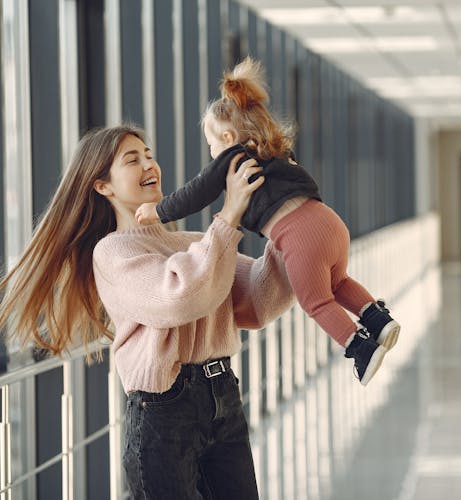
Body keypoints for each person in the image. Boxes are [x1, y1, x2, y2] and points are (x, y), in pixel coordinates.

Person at [0, 125, 295, 499]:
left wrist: (287, 224)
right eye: (132, 159)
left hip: (223, 397)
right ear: (102, 186)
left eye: (150, 155)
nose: (148, 164)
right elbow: (179, 298)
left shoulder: (192, 245)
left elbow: (260, 299)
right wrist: (230, 214)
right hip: (164, 412)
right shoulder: (112, 252)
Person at [136, 57, 400, 386]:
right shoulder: (277, 154)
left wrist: (158, 211)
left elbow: (196, 192)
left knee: (316, 301)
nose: (211, 153)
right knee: (338, 280)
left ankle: (360, 349)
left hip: (299, 236)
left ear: (229, 135)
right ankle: (377, 319)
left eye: (210, 144)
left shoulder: (232, 157)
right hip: (328, 222)